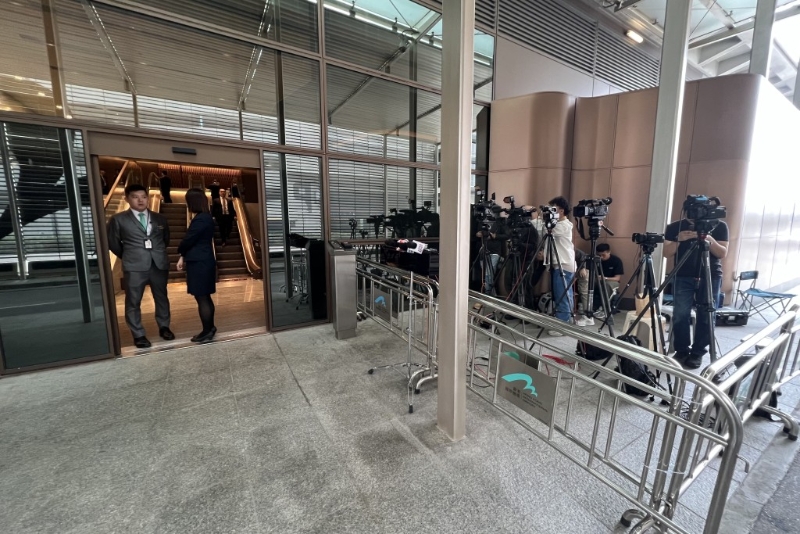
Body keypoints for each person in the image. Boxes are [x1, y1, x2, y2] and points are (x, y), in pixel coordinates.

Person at [107, 184, 174, 348]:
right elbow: (113, 243)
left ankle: (164, 326)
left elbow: (165, 239)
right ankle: (138, 334)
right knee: (133, 300)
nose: (140, 200)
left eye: (144, 197)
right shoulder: (118, 219)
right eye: (135, 197)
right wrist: (129, 256)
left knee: (161, 297)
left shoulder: (159, 218)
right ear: (127, 199)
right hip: (134, 266)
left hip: (158, 264)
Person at [664, 214, 729, 369]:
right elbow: (666, 253)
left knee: (706, 315)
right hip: (682, 274)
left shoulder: (719, 225)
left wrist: (708, 238)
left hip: (710, 275)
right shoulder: (675, 227)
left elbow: (722, 253)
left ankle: (698, 352)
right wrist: (678, 239)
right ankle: (681, 350)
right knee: (680, 314)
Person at [178, 188, 217, 343]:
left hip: (199, 262)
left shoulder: (201, 219)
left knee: (202, 297)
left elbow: (189, 239)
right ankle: (210, 328)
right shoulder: (206, 217)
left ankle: (207, 331)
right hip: (204, 260)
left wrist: (181, 251)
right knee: (205, 296)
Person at [533, 196, 575, 336]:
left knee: (562, 296)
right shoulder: (557, 224)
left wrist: (544, 219)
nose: (550, 211)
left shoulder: (565, 225)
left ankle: (562, 326)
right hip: (558, 264)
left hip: (564, 265)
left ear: (561, 211)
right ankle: (563, 321)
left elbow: (550, 231)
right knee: (561, 295)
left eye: (553, 209)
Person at [475, 218, 509, 294]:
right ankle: (490, 293)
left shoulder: (499, 222)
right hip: (483, 250)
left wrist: (495, 236)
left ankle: (488, 293)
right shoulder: (482, 221)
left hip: (495, 252)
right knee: (485, 274)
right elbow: (477, 234)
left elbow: (507, 235)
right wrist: (479, 234)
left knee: (489, 273)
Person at [593, 243, 624, 317]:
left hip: (612, 281)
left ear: (609, 252)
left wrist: (605, 278)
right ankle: (587, 306)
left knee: (606, 285)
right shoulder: (596, 260)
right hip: (597, 280)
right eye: (599, 255)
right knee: (588, 283)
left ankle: (605, 308)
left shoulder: (616, 261)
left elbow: (617, 278)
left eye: (603, 255)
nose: (601, 257)